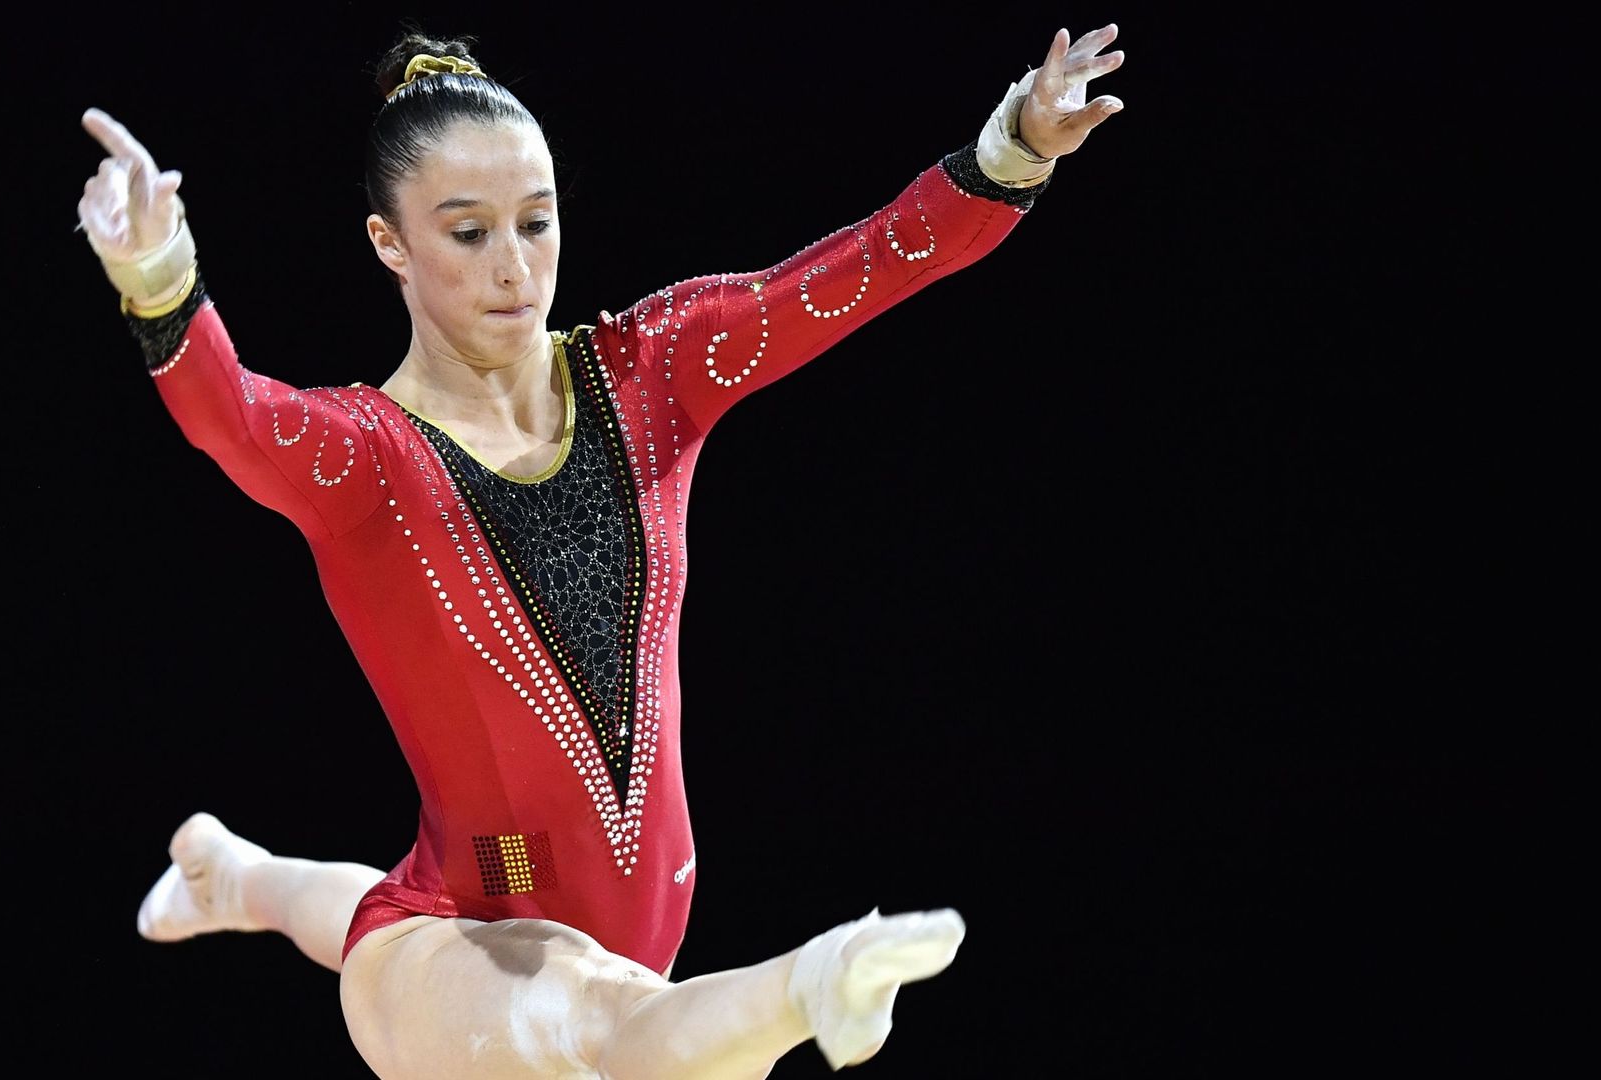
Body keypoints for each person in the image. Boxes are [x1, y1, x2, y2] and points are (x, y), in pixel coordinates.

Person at [76, 22, 1123, 1078]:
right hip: (448, 947)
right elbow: (232, 417)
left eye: (536, 222)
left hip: (595, 924)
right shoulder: (369, 461)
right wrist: (159, 271)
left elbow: (854, 271)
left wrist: (1014, 151)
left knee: (600, 1009)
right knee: (588, 1029)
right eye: (468, 233)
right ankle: (817, 977)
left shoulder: (652, 375)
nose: (515, 268)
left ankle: (234, 875)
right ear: (389, 243)